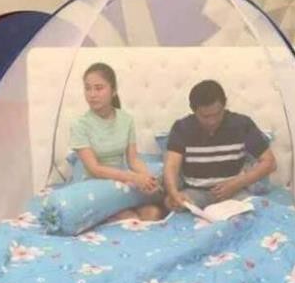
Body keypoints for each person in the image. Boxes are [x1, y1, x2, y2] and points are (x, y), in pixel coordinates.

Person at [70, 62, 164, 221]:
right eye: (88, 88)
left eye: (98, 88)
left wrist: (146, 178)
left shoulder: (126, 120)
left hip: (121, 184)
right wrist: (133, 178)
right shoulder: (79, 125)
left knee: (153, 213)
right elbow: (94, 169)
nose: (92, 94)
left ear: (113, 91)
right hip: (93, 185)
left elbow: (133, 160)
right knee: (130, 218)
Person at [164, 79, 277, 211]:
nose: (212, 121)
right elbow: (172, 166)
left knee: (252, 211)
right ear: (193, 110)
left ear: (224, 105)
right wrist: (174, 193)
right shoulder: (182, 128)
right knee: (172, 204)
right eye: (205, 117)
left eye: (217, 114)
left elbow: (270, 162)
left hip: (234, 190)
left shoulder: (242, 124)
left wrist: (237, 183)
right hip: (195, 192)